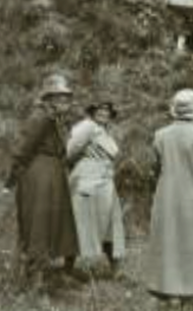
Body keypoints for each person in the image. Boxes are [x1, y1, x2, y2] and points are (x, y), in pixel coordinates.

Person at [146, 89, 193, 311]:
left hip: (166, 198)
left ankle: (171, 296)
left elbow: (154, 171)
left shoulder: (160, 136)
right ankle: (190, 296)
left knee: (170, 245)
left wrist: (155, 194)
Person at [3, 74, 79, 296]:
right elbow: (24, 149)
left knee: (50, 223)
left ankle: (44, 276)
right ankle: (34, 283)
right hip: (39, 175)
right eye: (61, 97)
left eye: (67, 97)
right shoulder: (41, 117)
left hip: (51, 174)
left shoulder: (53, 119)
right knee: (39, 225)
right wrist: (11, 180)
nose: (66, 101)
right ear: (49, 99)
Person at [67, 98, 125, 278]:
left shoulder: (104, 131)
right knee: (79, 223)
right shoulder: (86, 127)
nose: (104, 113)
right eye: (100, 110)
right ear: (92, 112)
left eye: (107, 110)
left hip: (105, 181)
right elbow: (69, 152)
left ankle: (116, 270)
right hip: (88, 181)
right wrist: (83, 167)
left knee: (111, 225)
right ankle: (67, 268)